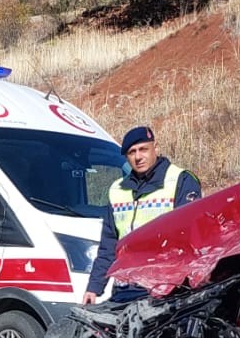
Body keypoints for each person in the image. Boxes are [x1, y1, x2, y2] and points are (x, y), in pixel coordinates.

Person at [84, 125, 202, 304]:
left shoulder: (180, 180)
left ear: (156, 148)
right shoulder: (117, 190)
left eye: (143, 149)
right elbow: (109, 245)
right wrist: (94, 288)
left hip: (164, 289)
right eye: (132, 152)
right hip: (125, 289)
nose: (138, 157)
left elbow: (190, 239)